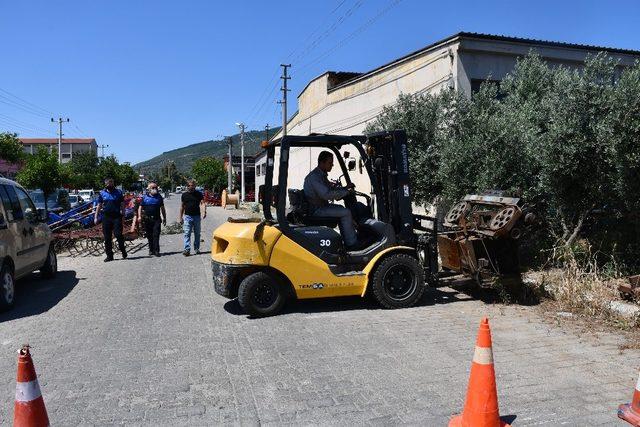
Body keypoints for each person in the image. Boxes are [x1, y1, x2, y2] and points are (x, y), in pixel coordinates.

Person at [303, 151, 358, 250]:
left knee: (341, 209)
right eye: (330, 163)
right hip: (316, 210)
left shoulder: (321, 175)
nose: (332, 165)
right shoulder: (314, 177)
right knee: (346, 212)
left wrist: (345, 188)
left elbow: (331, 190)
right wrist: (346, 192)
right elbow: (326, 194)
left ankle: (347, 239)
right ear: (322, 163)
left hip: (320, 207)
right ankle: (352, 245)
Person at [94, 178, 127, 262]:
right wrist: (96, 217)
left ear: (113, 183)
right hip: (106, 217)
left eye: (111, 183)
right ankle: (109, 256)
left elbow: (122, 204)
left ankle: (123, 250)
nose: (109, 185)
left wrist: (123, 214)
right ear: (105, 184)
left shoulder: (119, 192)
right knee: (107, 237)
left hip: (116, 216)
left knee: (118, 234)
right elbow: (99, 205)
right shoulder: (102, 193)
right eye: (108, 184)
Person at [179, 179, 206, 256]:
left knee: (197, 234)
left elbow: (203, 203)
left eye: (193, 185)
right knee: (187, 233)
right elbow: (182, 206)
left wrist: (204, 212)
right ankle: (187, 249)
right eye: (191, 186)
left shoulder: (199, 194)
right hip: (188, 217)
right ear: (187, 186)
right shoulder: (184, 195)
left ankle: (196, 248)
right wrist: (180, 217)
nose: (192, 187)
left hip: (197, 217)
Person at [139, 182, 166, 257]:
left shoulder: (159, 197)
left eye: (156, 187)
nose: (155, 189)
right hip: (147, 220)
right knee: (149, 235)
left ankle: (157, 251)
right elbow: (140, 207)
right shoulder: (145, 197)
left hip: (156, 219)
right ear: (149, 189)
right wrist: (139, 217)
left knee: (156, 235)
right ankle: (151, 250)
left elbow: (162, 208)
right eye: (153, 188)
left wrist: (164, 218)